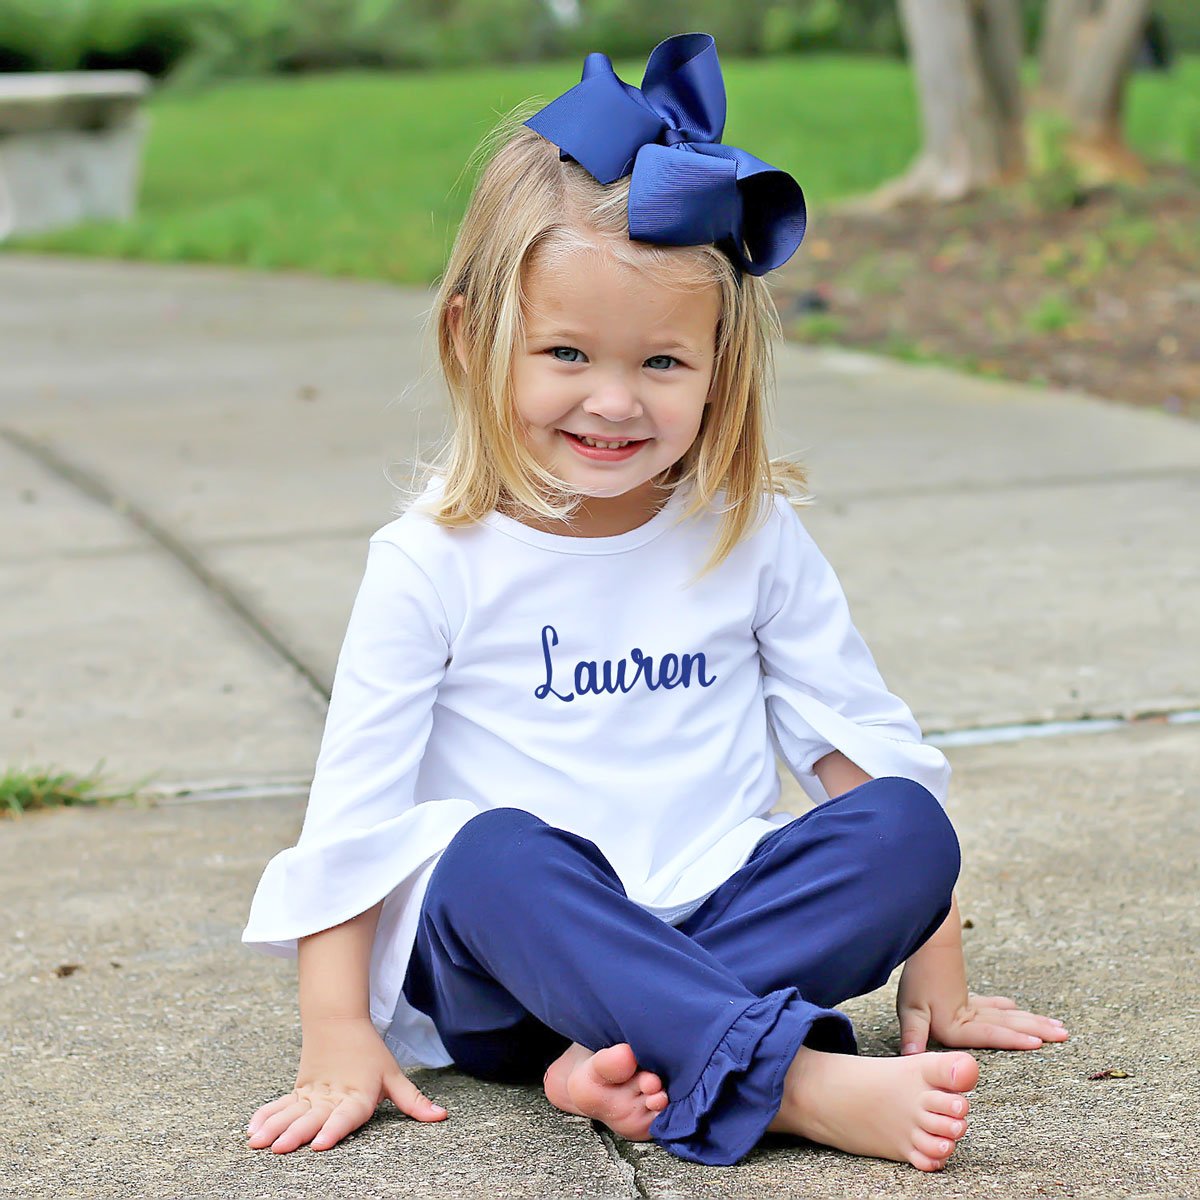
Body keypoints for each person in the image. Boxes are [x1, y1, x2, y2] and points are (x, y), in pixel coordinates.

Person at [242, 32, 1068, 1172]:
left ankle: (630, 1061)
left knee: (906, 830)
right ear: (472, 339)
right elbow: (356, 819)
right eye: (568, 353)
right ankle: (794, 1081)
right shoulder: (433, 559)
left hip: (720, 922)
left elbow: (854, 747)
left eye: (663, 365)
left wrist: (942, 978)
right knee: (490, 854)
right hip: (510, 964)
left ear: (723, 362)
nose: (615, 403)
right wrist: (338, 1036)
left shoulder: (748, 535)